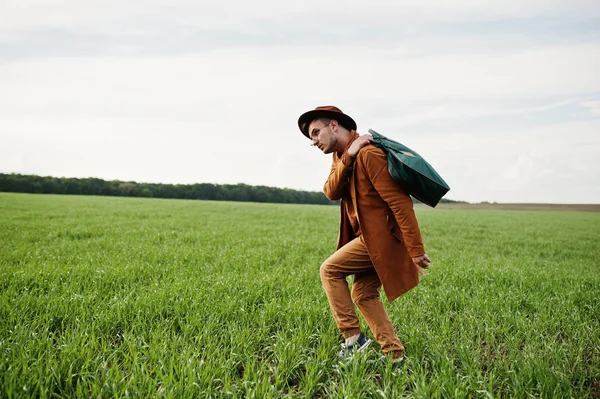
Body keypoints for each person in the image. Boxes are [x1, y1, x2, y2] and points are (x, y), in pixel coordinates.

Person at [297, 105, 431, 363]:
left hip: (380, 239)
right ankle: (394, 354)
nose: (313, 142)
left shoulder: (369, 155)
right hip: (367, 238)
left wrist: (415, 249)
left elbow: (400, 202)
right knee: (363, 294)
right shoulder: (341, 156)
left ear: (333, 125)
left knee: (329, 270)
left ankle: (352, 338)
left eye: (315, 133)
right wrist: (348, 156)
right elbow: (330, 191)